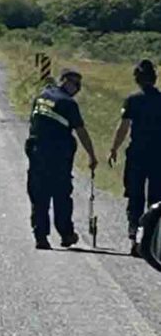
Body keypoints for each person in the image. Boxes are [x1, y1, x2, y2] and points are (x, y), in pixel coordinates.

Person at [25, 69, 98, 250]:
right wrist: (91, 155)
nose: (77, 88)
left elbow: (33, 123)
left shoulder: (41, 96)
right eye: (75, 83)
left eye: (79, 85)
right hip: (57, 156)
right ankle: (65, 233)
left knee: (39, 195)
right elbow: (80, 130)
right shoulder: (68, 103)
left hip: (37, 152)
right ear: (64, 81)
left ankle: (41, 236)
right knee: (61, 195)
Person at [108, 59, 161, 257]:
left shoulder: (133, 100)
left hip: (137, 154)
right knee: (156, 199)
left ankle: (134, 238)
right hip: (158, 156)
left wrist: (114, 148)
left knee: (135, 197)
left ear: (137, 79)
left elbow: (124, 127)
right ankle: (154, 241)